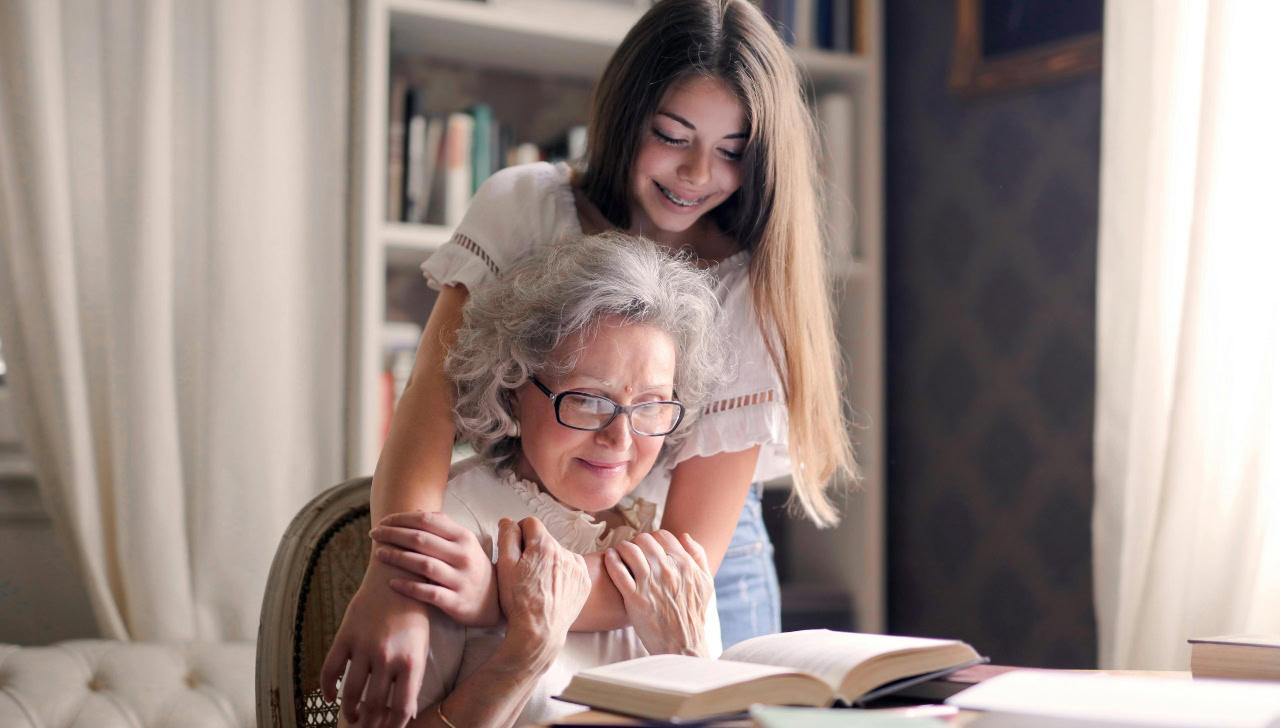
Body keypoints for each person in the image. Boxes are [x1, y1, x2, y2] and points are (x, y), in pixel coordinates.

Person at [322, 1, 856, 725]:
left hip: (688, 568)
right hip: (526, 532)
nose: (699, 174)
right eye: (672, 136)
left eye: (733, 151)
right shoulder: (527, 208)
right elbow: (430, 398)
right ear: (624, 117)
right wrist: (400, 581)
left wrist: (495, 595)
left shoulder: (747, 290)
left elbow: (687, 548)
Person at [340, 234, 724, 727]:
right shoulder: (449, 532)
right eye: (588, 399)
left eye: (650, 404)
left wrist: (688, 657)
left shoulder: (668, 556)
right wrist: (523, 657)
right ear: (514, 387)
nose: (621, 437)